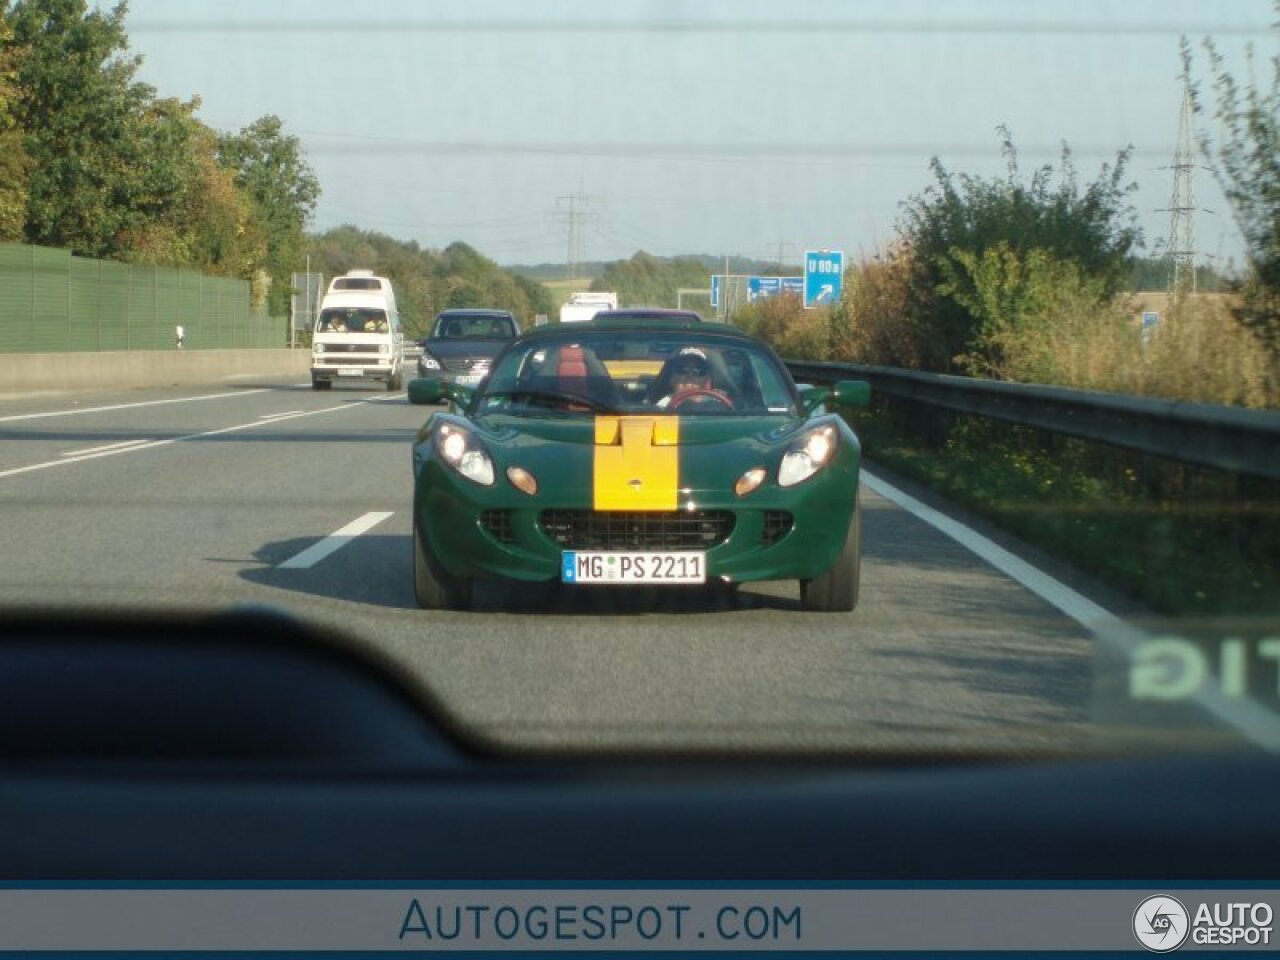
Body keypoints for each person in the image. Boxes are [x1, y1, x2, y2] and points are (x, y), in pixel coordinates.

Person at [652, 346, 733, 409]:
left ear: (707, 380)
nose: (690, 376)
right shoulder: (662, 405)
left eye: (699, 371)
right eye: (682, 370)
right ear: (672, 379)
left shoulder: (719, 403)